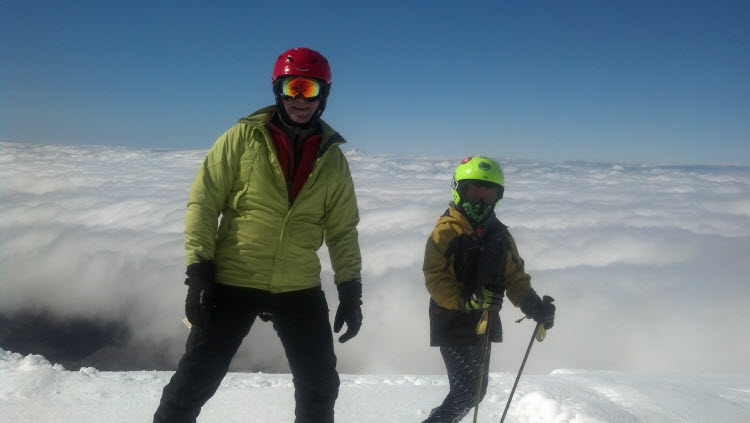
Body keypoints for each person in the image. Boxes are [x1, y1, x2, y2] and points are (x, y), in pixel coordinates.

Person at [153, 47, 363, 423]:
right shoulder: (242, 139)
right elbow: (203, 202)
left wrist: (350, 290)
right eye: (291, 87)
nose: (300, 99)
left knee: (320, 387)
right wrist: (199, 271)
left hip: (298, 284)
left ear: (324, 95)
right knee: (194, 381)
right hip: (235, 277)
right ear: (277, 90)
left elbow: (342, 229)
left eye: (309, 89)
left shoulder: (333, 159)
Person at [421, 156, 555, 423]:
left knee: (475, 392)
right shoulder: (446, 232)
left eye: (488, 194)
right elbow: (435, 278)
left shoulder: (500, 235)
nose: (480, 201)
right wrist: (465, 299)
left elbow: (514, 277)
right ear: (458, 190)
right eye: (473, 192)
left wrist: (532, 304)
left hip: (484, 319)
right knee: (467, 393)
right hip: (451, 320)